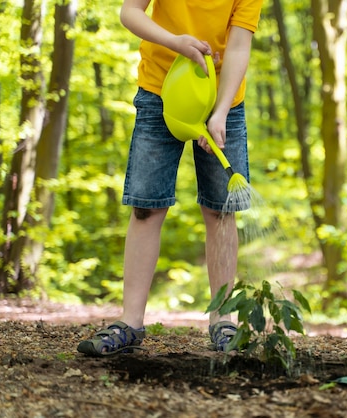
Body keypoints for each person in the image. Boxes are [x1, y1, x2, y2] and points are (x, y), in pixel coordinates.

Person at [77, 0, 263, 355]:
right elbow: (129, 12)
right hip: (160, 90)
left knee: (221, 210)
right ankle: (129, 322)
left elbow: (239, 46)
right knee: (145, 206)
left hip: (222, 96)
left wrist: (219, 112)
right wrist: (176, 42)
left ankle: (223, 321)